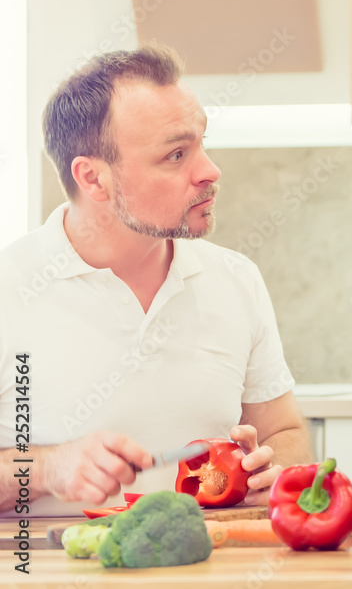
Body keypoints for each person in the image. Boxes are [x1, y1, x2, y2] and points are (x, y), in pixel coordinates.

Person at [0, 44, 312, 517]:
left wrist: (272, 468)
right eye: (175, 155)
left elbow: (285, 434)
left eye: (201, 144)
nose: (209, 171)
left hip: (210, 568)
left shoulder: (236, 280)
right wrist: (44, 469)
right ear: (94, 179)